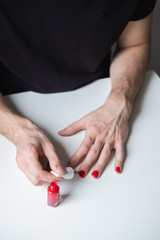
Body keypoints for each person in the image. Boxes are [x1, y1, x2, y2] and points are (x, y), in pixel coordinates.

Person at [0, 0, 156, 185]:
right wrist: (16, 130)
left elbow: (134, 44)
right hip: (10, 101)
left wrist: (120, 102)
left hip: (99, 96)